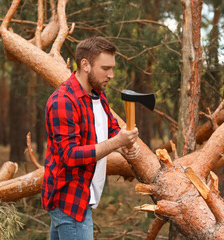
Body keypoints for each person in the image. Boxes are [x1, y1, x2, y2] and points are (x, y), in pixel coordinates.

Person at [41, 36, 140, 240]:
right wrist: (116, 143)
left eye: (112, 68)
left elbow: (110, 129)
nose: (111, 75)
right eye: (105, 68)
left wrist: (124, 146)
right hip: (70, 201)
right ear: (85, 65)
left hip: (83, 196)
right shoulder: (63, 101)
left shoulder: (97, 94)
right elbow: (70, 155)